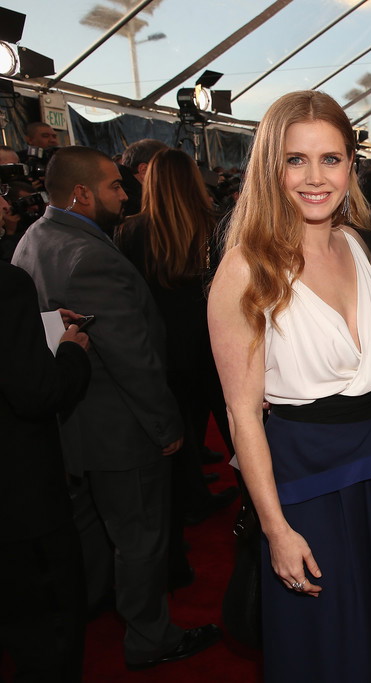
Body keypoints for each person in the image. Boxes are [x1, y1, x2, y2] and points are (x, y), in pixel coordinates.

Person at [208, 90, 371, 682]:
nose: (314, 177)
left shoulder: (357, 245)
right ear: (269, 168)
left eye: (330, 159)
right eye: (294, 160)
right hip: (306, 491)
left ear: (351, 166)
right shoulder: (246, 268)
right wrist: (276, 530)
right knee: (331, 652)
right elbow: (242, 414)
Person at [11, 146, 221, 669]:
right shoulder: (92, 256)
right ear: (81, 194)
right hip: (119, 427)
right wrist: (166, 425)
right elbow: (133, 358)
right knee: (141, 537)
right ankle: (150, 636)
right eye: (114, 187)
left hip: (72, 423)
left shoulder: (33, 238)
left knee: (89, 529)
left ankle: (89, 609)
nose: (125, 194)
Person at [114, 148, 238, 591]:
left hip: (163, 351)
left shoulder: (131, 231)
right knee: (238, 431)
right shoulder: (215, 225)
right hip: (214, 346)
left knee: (177, 436)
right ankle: (256, 507)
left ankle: (189, 509)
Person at [0, 261, 90, 682]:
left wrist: (44, 323)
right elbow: (37, 391)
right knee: (48, 630)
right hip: (21, 499)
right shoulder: (8, 282)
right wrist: (73, 353)